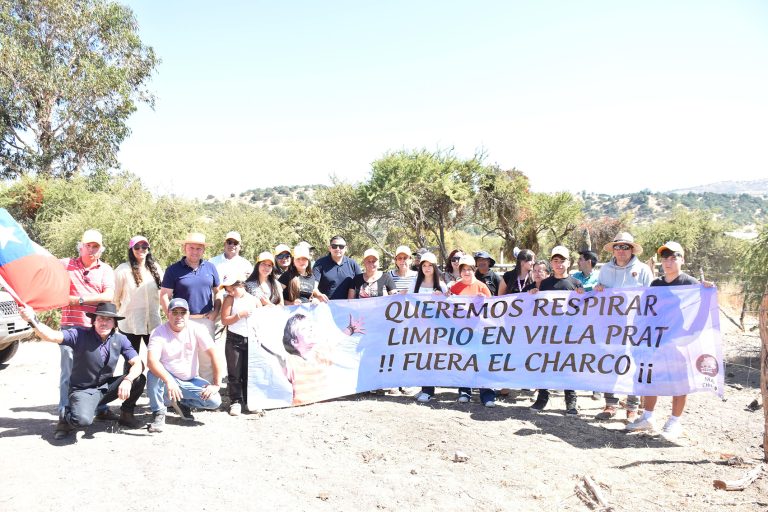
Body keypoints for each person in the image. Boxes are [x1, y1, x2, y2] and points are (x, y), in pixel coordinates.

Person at [625, 241, 714, 440]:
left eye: (674, 257)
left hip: (679, 341)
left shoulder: (690, 283)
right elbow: (646, 309)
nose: (668, 262)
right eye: (665, 258)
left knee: (679, 381)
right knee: (651, 377)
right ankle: (648, 417)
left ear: (682, 260)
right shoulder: (656, 284)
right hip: (655, 339)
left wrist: (691, 334)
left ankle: (674, 422)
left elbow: (702, 310)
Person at [20, 302, 146, 439]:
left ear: (114, 323)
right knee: (82, 421)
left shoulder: (120, 339)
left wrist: (128, 380)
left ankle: (126, 415)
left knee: (138, 379)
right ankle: (65, 418)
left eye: (109, 319)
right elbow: (51, 336)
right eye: (100, 319)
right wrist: (32, 320)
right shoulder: (79, 334)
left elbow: (138, 363)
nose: (104, 323)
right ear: (94, 321)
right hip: (82, 390)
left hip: (105, 387)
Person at [58, 229, 115, 429]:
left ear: (101, 249)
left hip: (95, 329)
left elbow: (108, 295)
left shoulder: (105, 269)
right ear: (80, 246)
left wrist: (79, 300)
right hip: (71, 327)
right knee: (68, 373)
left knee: (97, 371)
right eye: (88, 245)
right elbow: (46, 274)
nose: (91, 249)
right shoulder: (65, 265)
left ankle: (99, 408)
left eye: (95, 246)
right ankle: (64, 416)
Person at [594, 232, 653, 421]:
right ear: (613, 249)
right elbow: (600, 295)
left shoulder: (643, 270)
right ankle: (610, 404)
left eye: (625, 247)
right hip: (611, 325)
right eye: (618, 246)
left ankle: (632, 406)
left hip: (636, 325)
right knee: (610, 361)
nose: (621, 250)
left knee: (633, 364)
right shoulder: (605, 270)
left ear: (631, 250)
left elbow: (651, 297)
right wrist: (598, 290)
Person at [146, 298, 223, 433]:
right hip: (167, 380)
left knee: (214, 401)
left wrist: (216, 384)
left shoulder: (197, 329)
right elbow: (151, 361)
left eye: (183, 312)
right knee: (153, 373)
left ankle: (181, 402)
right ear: (168, 314)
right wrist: (169, 381)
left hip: (189, 380)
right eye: (175, 312)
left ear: (188, 314)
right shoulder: (158, 332)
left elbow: (215, 354)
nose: (179, 316)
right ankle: (158, 412)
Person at [527, 246, 584, 414]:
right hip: (548, 331)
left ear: (569, 263)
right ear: (551, 263)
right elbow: (538, 306)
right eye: (555, 261)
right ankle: (542, 398)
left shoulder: (576, 284)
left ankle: (571, 401)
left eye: (562, 261)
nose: (559, 264)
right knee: (545, 364)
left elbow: (583, 309)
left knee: (568, 365)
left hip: (569, 332)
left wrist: (582, 296)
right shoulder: (545, 284)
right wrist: (534, 294)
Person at [160, 232, 221, 383]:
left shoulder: (211, 268)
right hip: (182, 321)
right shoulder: (173, 270)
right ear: (184, 248)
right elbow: (164, 295)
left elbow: (218, 292)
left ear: (203, 250)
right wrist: (171, 317)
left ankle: (205, 390)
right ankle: (182, 391)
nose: (195, 251)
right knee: (181, 358)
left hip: (205, 320)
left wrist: (215, 311)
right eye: (191, 248)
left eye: (198, 248)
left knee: (206, 359)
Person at [450, 255, 495, 407]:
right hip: (461, 331)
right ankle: (464, 391)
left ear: (474, 270)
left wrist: (484, 302)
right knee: (464, 361)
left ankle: (487, 394)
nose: (466, 272)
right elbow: (448, 307)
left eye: (469, 269)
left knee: (483, 361)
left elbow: (492, 310)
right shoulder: (455, 288)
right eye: (463, 269)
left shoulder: (482, 287)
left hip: (480, 330)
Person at [113, 235, 163, 371]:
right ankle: (130, 385)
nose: (141, 249)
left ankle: (156, 385)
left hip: (153, 324)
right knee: (131, 364)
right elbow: (115, 297)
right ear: (131, 249)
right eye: (137, 247)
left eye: (144, 246)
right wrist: (119, 314)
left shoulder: (156, 268)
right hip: (130, 324)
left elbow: (162, 293)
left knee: (157, 361)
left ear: (148, 248)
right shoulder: (123, 270)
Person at [410, 252, 450, 403]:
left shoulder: (441, 285)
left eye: (430, 265)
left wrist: (442, 298)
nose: (427, 268)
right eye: (424, 265)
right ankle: (424, 387)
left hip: (434, 329)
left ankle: (429, 390)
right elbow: (407, 301)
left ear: (434, 267)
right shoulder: (415, 283)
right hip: (418, 327)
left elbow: (448, 307)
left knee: (430, 358)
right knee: (421, 358)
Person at [220, 277, 259, 415]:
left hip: (252, 339)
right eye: (228, 290)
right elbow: (224, 320)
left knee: (249, 372)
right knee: (234, 372)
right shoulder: (230, 299)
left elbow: (262, 317)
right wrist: (239, 315)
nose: (230, 292)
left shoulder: (254, 300)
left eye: (232, 289)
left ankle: (250, 400)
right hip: (234, 338)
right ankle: (236, 401)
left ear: (241, 285)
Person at [312, 235, 361, 300]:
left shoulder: (353, 264)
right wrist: (318, 295)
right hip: (326, 304)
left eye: (341, 246)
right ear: (330, 248)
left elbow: (361, 283)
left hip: (348, 305)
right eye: (334, 246)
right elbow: (313, 286)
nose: (338, 249)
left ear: (345, 248)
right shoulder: (319, 264)